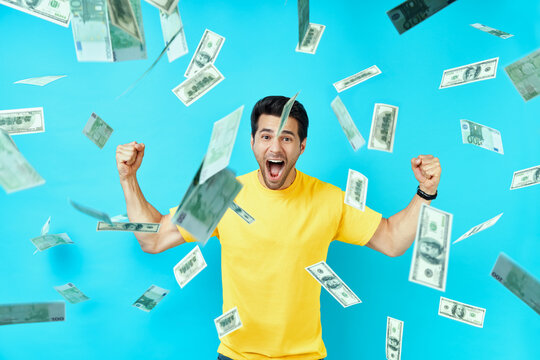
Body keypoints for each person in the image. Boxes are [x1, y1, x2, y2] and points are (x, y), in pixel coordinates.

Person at [116, 96, 442, 360]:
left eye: (286, 138)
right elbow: (153, 239)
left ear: (301, 146)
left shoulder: (328, 199)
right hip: (237, 356)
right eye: (266, 136)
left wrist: (425, 192)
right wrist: (128, 179)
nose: (275, 148)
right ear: (253, 143)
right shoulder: (220, 193)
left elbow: (392, 241)